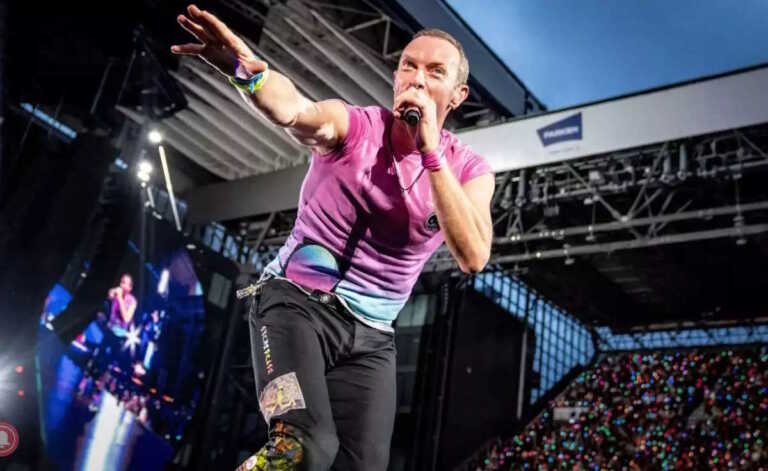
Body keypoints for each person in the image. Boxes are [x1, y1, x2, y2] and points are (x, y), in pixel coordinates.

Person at [172, 4, 494, 470]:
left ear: (457, 95)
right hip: (293, 304)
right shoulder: (356, 126)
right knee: (303, 446)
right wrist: (248, 75)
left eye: (435, 72)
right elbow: (296, 110)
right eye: (409, 66)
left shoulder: (468, 170)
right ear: (396, 77)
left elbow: (473, 256)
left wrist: (430, 153)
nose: (418, 80)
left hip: (372, 338)